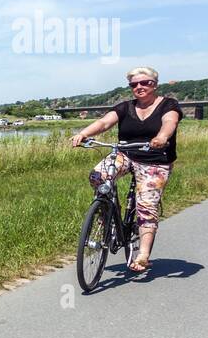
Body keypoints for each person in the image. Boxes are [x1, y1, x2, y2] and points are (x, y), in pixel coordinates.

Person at [69, 66, 183, 272]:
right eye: (134, 84)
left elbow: (170, 122)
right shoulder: (125, 107)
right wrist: (83, 134)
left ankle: (143, 255)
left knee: (146, 205)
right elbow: (104, 123)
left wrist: (161, 137)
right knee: (98, 176)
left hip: (155, 159)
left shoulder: (168, 104)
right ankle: (108, 215)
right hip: (126, 153)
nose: (139, 87)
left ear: (154, 84)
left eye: (145, 83)